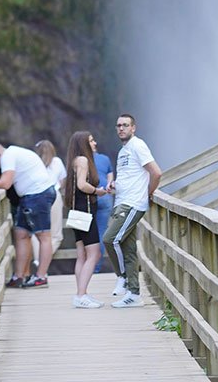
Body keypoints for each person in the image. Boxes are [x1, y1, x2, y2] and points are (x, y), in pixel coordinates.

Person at [0, 142, 57, 289]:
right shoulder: (12, 154)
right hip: (30, 197)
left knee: (43, 236)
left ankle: (41, 277)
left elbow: (5, 183)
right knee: (21, 234)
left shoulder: (8, 156)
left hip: (38, 194)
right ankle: (19, 276)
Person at [104, 113, 162, 308]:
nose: (121, 128)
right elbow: (130, 177)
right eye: (119, 125)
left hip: (132, 204)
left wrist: (148, 193)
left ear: (133, 128)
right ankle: (134, 295)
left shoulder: (138, 145)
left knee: (110, 239)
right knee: (128, 250)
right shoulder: (123, 151)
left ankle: (122, 277)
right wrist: (115, 185)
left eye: (125, 125)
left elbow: (156, 172)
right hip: (121, 201)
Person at [64, 131, 105, 308]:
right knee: (95, 254)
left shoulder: (74, 160)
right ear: (83, 144)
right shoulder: (83, 160)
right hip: (85, 212)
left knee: (82, 255)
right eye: (91, 141)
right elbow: (81, 185)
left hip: (76, 212)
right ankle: (81, 295)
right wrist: (98, 191)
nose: (95, 143)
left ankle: (82, 293)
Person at [34, 139, 67, 266]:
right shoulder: (57, 161)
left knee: (37, 233)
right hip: (53, 196)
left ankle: (37, 259)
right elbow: (63, 180)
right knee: (56, 236)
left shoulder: (34, 164)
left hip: (36, 197)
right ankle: (42, 260)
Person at [91, 136, 114, 273]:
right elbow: (110, 178)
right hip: (105, 196)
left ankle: (87, 265)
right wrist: (107, 188)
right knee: (101, 232)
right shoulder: (104, 159)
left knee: (87, 233)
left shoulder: (80, 160)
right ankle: (96, 268)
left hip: (90, 196)